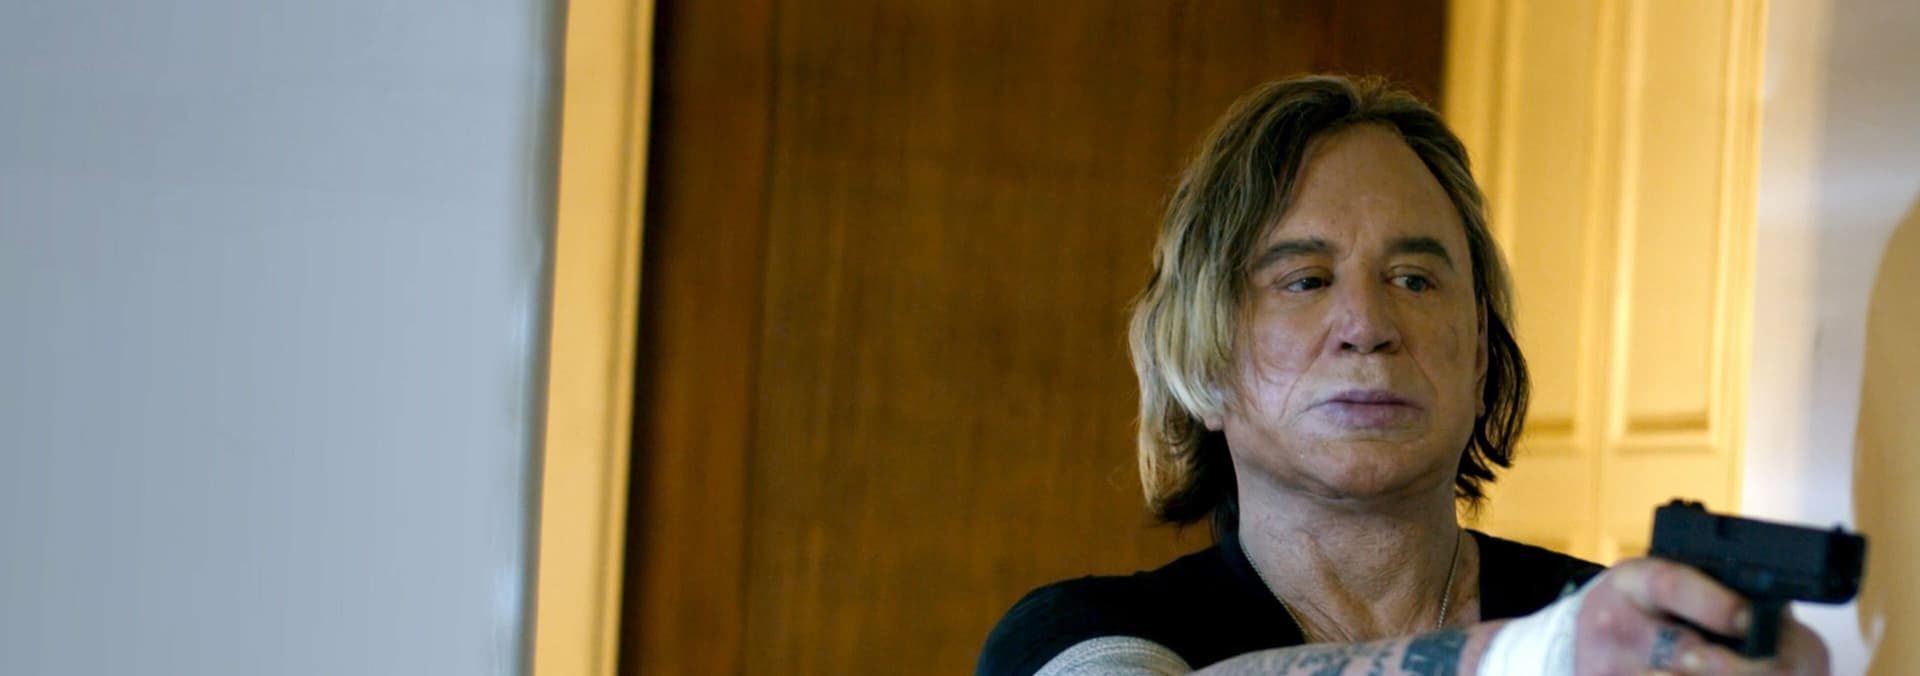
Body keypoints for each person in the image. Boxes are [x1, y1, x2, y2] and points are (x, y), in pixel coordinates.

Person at [975, 75, 1829, 675]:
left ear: (1481, 352)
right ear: (1202, 356)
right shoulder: (1076, 632)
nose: (1369, 326)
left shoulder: (1629, 632)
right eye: (1305, 280)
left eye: (1416, 280)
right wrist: (1547, 656)